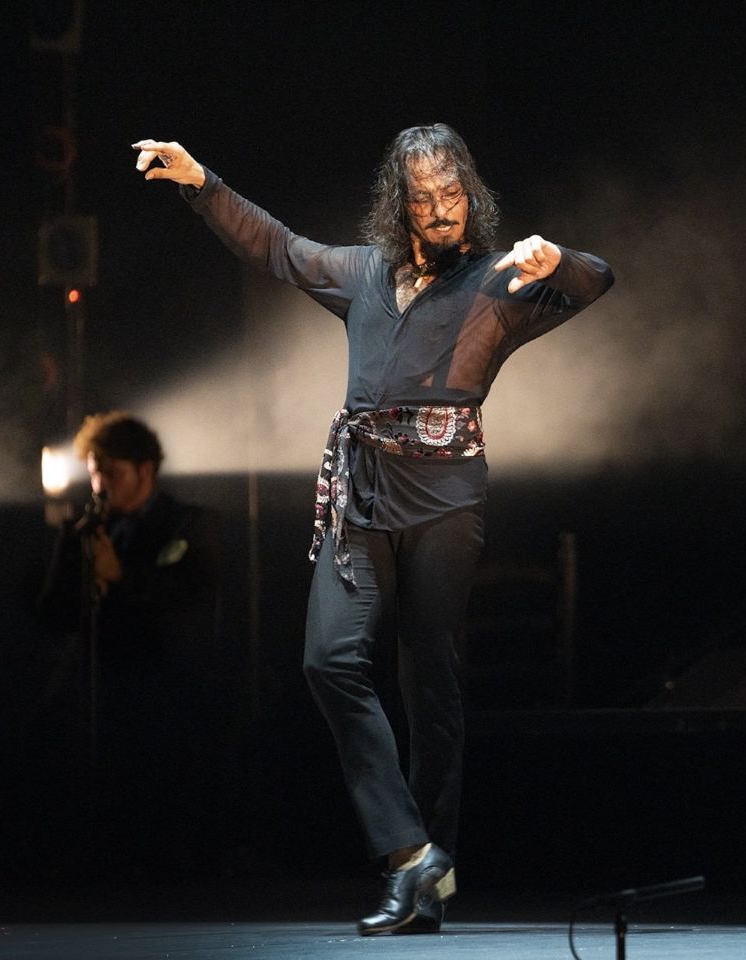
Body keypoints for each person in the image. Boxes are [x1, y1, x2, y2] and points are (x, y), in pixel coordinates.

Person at [131, 124, 613, 935]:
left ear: (471, 194)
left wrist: (555, 259)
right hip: (361, 494)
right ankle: (409, 851)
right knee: (327, 659)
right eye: (424, 198)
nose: (442, 210)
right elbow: (278, 248)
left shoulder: (499, 282)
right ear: (401, 205)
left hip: (445, 501)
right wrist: (199, 181)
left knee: (431, 681)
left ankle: (425, 882)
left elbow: (599, 279)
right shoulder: (362, 275)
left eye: (452, 194)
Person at [38, 411, 228, 874]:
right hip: (99, 678)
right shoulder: (84, 530)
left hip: (164, 679)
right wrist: (82, 572)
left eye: (112, 473)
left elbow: (190, 600)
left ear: (146, 469)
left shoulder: (188, 524)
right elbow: (52, 612)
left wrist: (119, 577)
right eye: (95, 473)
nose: (101, 485)